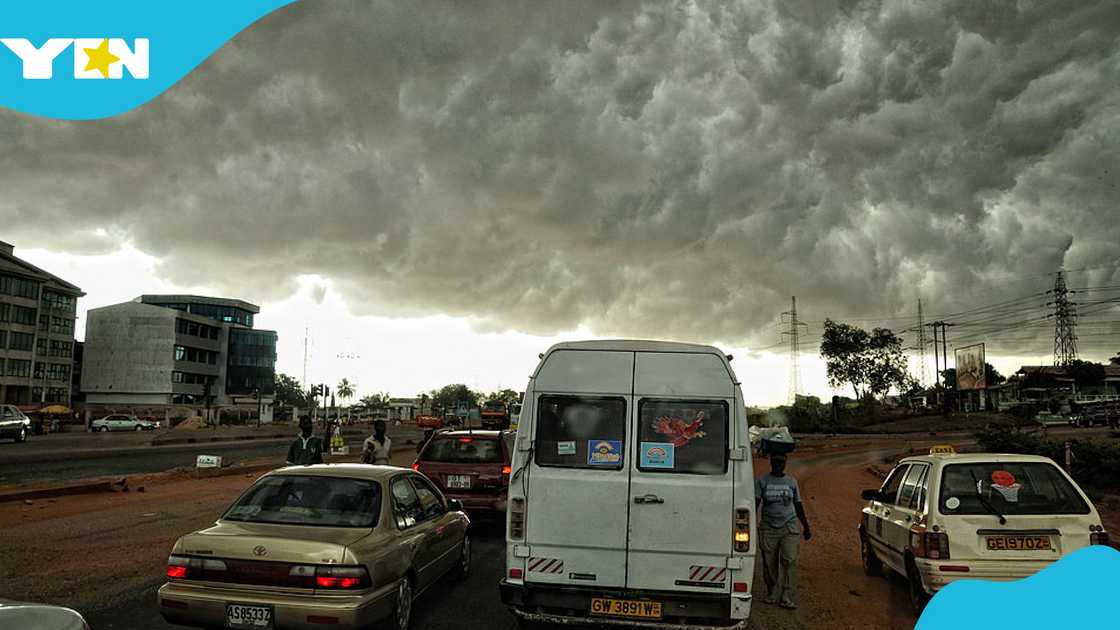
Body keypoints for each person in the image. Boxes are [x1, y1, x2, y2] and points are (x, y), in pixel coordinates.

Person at [755, 453, 811, 609]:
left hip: (789, 525)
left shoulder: (791, 482)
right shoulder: (762, 481)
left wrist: (806, 526)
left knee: (789, 559)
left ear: (785, 464)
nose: (778, 464)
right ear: (771, 462)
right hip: (768, 526)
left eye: (781, 462)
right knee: (769, 561)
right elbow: (756, 504)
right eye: (776, 461)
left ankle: (785, 594)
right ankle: (772, 590)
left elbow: (798, 505)